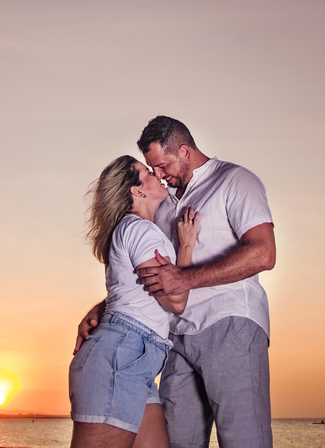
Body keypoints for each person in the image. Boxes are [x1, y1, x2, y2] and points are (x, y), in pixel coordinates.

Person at [77, 116, 276, 448]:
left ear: (184, 151)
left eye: (161, 165)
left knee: (244, 441)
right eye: (151, 169)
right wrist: (102, 309)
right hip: (175, 339)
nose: (158, 174)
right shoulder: (162, 205)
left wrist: (184, 277)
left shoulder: (235, 180)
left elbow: (263, 254)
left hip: (229, 325)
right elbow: (149, 272)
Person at [69, 155, 201, 448]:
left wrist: (96, 310)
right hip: (122, 357)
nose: (157, 173)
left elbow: (131, 290)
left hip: (137, 361)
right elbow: (176, 300)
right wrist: (187, 245)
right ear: (137, 191)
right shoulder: (140, 230)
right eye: (146, 172)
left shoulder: (136, 230)